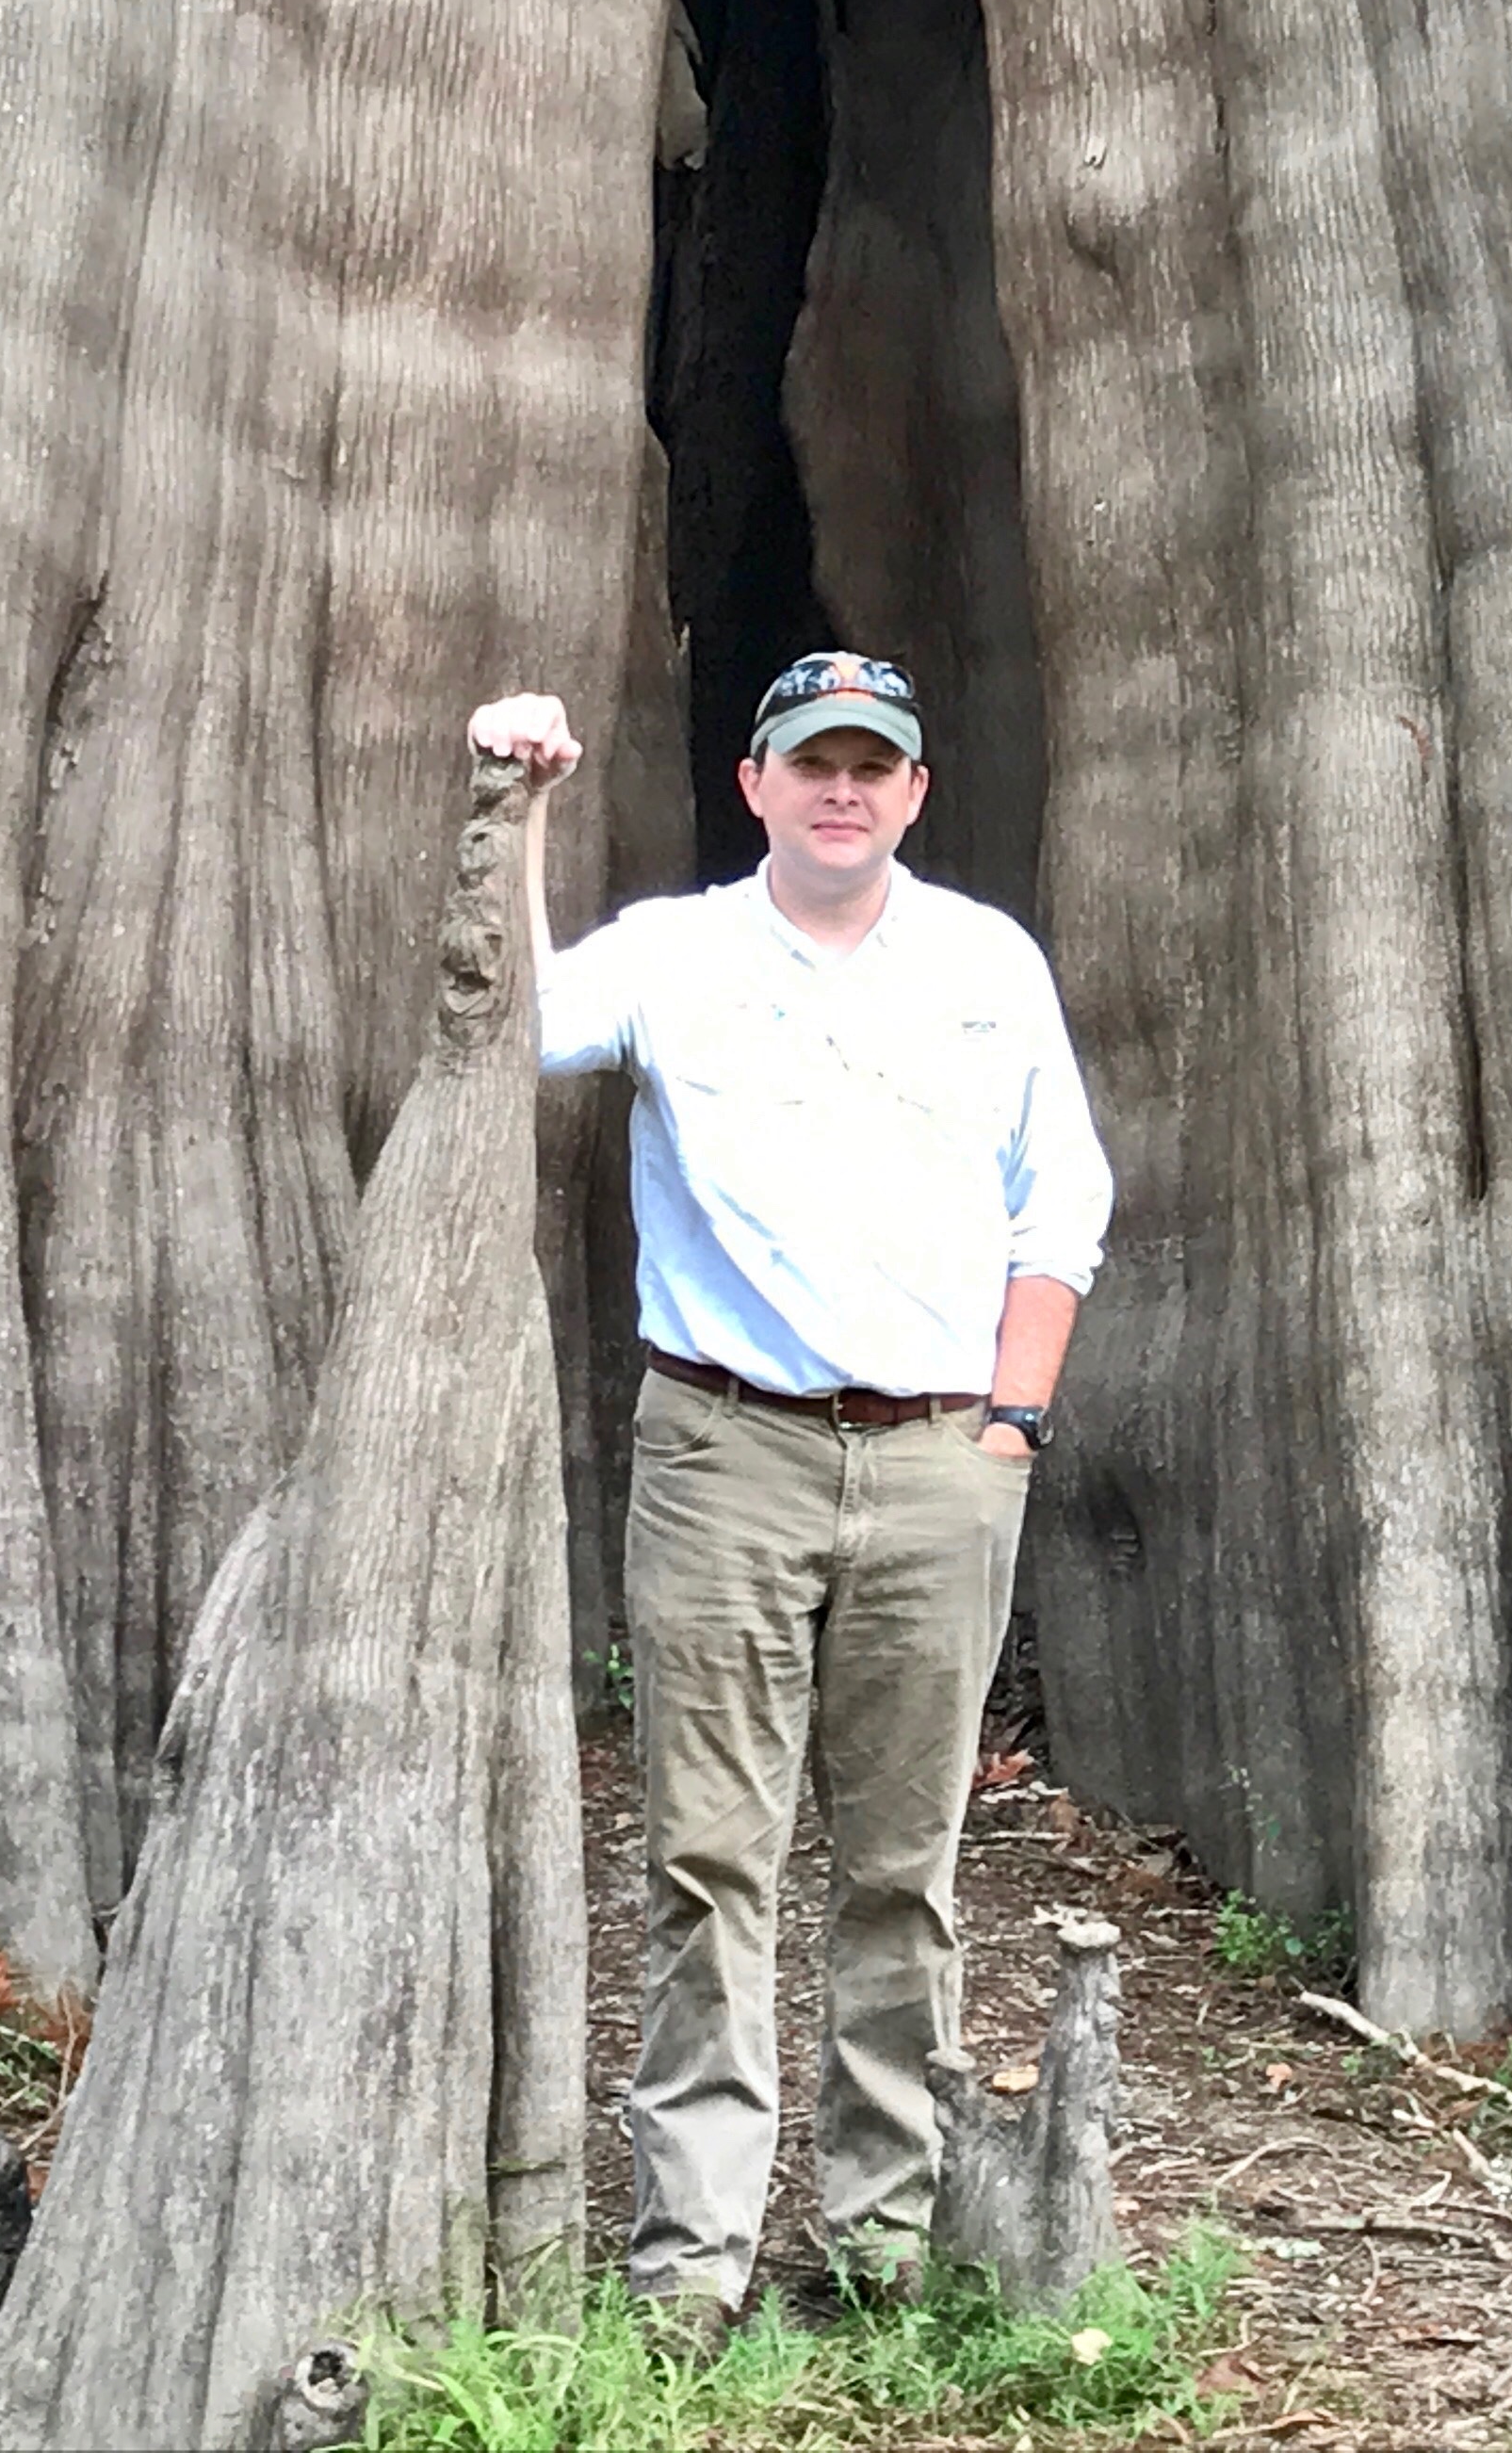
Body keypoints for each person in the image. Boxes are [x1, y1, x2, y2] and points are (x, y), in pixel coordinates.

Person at [466, 654, 1114, 2320]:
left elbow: (1062, 1207)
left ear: (911, 794)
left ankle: (882, 2236)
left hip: (939, 1457)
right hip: (723, 1451)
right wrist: (512, 813)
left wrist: (1010, 1431)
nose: (842, 789)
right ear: (755, 786)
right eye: (809, 762)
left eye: (871, 766)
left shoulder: (986, 965)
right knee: (709, 1862)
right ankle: (695, 2256)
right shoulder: (674, 953)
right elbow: (517, 1031)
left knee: (905, 1864)